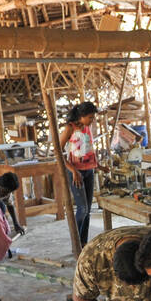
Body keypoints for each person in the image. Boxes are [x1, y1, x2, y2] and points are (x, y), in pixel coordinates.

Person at [60, 101, 99, 245]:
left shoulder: (87, 127)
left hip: (89, 170)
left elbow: (89, 148)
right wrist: (73, 170)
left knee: (88, 211)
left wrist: (98, 165)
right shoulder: (70, 128)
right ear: (81, 116)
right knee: (82, 209)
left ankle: (83, 243)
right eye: (90, 117)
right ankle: (76, 243)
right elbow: (57, 152)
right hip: (76, 173)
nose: (92, 120)